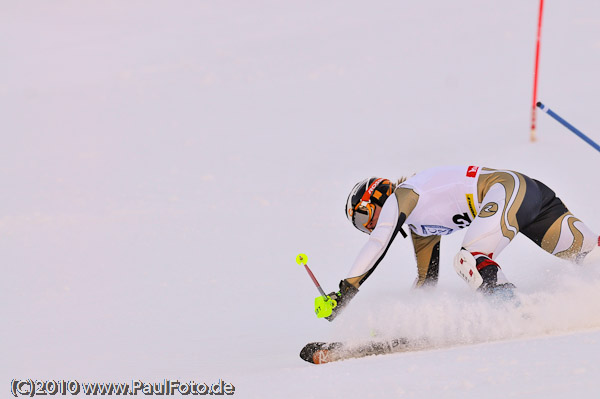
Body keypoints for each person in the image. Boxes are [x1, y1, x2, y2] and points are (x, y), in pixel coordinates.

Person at [317, 165, 600, 321]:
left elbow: (378, 244)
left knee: (470, 259)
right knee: (590, 255)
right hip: (527, 192)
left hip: (508, 191)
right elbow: (426, 281)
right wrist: (401, 325)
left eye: (364, 217)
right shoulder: (420, 225)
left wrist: (344, 294)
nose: (367, 227)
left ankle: (520, 316)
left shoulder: (401, 196)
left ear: (376, 198)